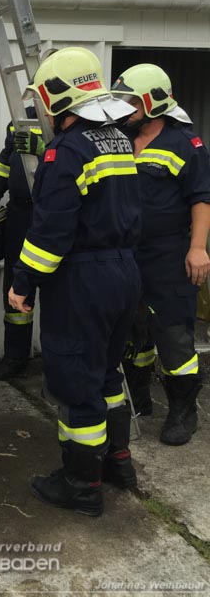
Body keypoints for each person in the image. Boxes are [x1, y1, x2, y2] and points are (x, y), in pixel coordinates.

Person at [9, 47, 141, 517]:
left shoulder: (66, 151)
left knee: (76, 381)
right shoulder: (120, 139)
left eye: (44, 98)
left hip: (83, 279)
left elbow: (51, 233)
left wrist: (21, 283)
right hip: (125, 272)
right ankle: (117, 463)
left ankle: (82, 484)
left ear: (57, 95)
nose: (42, 109)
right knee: (107, 374)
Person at [111, 64, 210, 445]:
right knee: (134, 330)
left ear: (154, 101)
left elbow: (202, 197)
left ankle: (184, 411)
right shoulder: (121, 137)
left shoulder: (185, 144)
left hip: (168, 254)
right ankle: (139, 397)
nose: (127, 107)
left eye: (133, 100)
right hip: (126, 253)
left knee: (172, 333)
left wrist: (198, 248)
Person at [0, 106, 44, 380]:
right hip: (19, 214)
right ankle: (15, 356)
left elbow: (73, 160)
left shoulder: (69, 120)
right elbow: (5, 162)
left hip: (48, 213)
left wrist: (45, 149)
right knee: (16, 283)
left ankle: (55, 360)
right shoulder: (19, 120)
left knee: (55, 288)